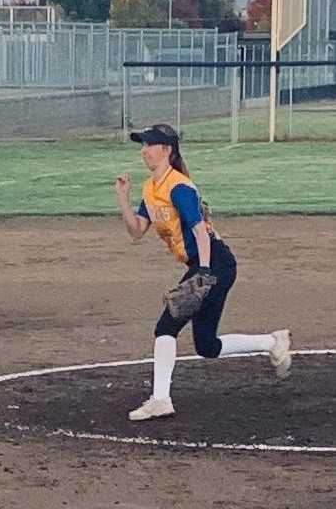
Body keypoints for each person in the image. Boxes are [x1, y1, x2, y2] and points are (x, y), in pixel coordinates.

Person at [115, 123, 290, 422]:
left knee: (166, 327)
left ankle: (160, 399)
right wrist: (123, 197)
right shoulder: (151, 188)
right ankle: (273, 342)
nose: (143, 150)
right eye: (142, 145)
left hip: (215, 263)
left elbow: (200, 231)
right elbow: (136, 231)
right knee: (207, 345)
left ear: (167, 150)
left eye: (149, 144)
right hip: (209, 266)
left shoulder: (178, 186)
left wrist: (205, 273)